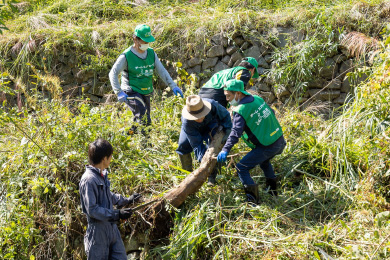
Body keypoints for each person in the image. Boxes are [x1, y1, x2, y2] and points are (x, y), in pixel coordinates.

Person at [216, 79, 286, 204]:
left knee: (241, 167)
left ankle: (253, 201)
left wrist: (225, 149)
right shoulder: (257, 99)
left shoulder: (241, 110)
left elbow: (235, 133)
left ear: (238, 93)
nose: (227, 99)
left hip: (267, 146)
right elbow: (272, 112)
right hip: (279, 139)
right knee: (264, 162)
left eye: (228, 96)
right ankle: (273, 191)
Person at [109, 24, 184, 135]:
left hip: (145, 90)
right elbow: (113, 73)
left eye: (148, 41)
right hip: (131, 90)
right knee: (144, 119)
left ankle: (126, 136)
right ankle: (146, 145)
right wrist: (119, 91)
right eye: (144, 41)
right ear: (135, 39)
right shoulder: (126, 56)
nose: (146, 44)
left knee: (140, 118)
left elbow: (161, 71)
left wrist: (173, 85)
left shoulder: (151, 53)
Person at [80, 138, 142, 259]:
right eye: (110, 156)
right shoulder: (88, 180)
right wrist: (117, 214)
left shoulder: (101, 174)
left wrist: (128, 200)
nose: (111, 159)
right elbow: (92, 210)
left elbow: (109, 196)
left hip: (111, 229)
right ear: (104, 158)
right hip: (97, 233)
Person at [176, 95, 232, 185]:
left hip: (210, 123)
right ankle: (188, 176)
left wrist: (228, 129)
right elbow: (197, 145)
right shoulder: (187, 123)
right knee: (183, 145)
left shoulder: (213, 105)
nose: (200, 119)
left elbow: (225, 115)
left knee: (213, 144)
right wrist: (204, 161)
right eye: (196, 117)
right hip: (193, 129)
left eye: (202, 115)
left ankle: (212, 176)